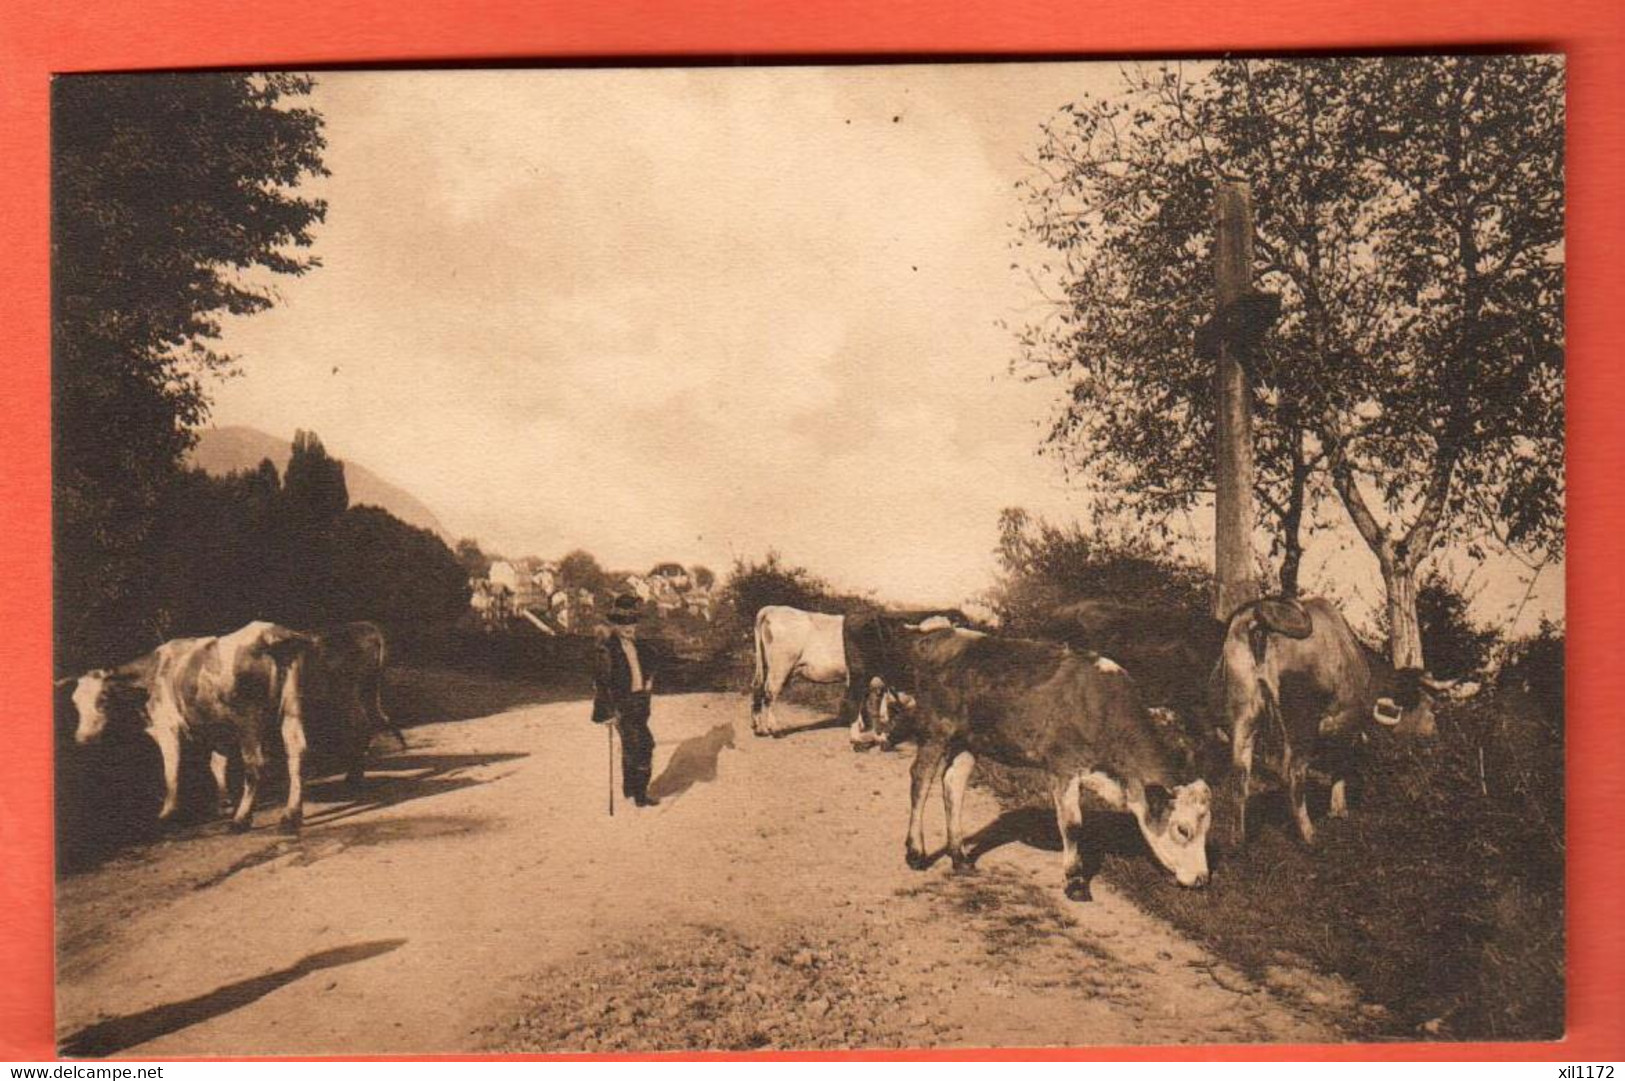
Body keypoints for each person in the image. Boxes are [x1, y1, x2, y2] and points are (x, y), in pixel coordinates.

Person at [592, 594, 660, 807]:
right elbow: (601, 682)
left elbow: (650, 664)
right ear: (615, 625)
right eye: (623, 623)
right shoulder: (608, 649)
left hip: (640, 703)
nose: (629, 626)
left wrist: (648, 680)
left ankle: (630, 788)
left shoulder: (639, 647)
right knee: (642, 745)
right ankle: (640, 795)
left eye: (632, 622)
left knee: (634, 745)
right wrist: (606, 713)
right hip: (622, 705)